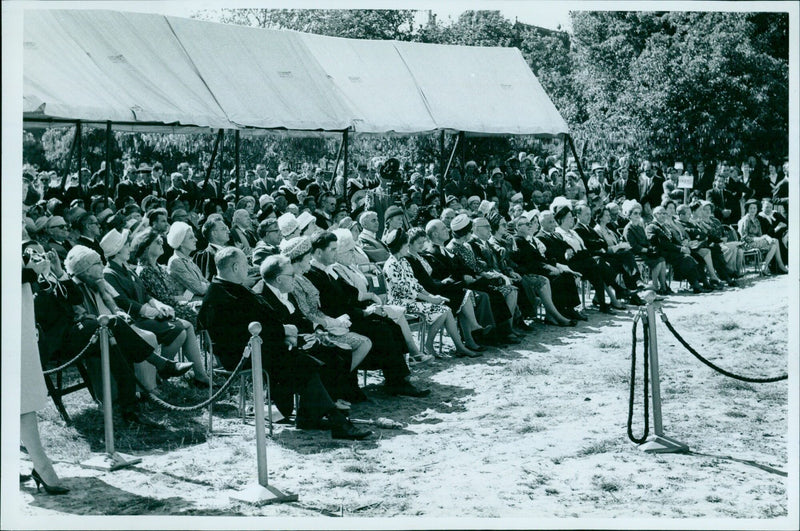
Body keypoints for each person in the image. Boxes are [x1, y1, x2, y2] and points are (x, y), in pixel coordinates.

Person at [197, 247, 371, 440]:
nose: (249, 269)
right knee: (302, 363)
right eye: (246, 265)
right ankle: (335, 421)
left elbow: (261, 320)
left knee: (309, 359)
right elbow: (236, 334)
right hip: (241, 356)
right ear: (236, 267)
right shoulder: (220, 296)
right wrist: (283, 332)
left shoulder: (231, 289)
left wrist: (283, 333)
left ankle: (312, 418)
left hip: (260, 346)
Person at [304, 231, 429, 397]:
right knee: (382, 330)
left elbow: (350, 293)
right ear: (319, 252)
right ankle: (395, 380)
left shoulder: (329, 270)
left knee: (391, 324)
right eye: (333, 249)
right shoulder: (313, 274)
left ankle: (396, 379)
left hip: (350, 313)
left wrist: (368, 308)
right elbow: (332, 306)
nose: (336, 252)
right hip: (339, 320)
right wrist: (363, 312)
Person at [100, 229, 209, 382]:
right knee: (179, 330)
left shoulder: (127, 270)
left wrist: (157, 305)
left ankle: (193, 374)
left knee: (184, 327)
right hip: (133, 322)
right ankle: (163, 370)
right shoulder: (109, 274)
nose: (129, 248)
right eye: (125, 245)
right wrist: (151, 311)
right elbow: (123, 302)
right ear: (117, 251)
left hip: (145, 316)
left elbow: (145, 294)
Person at [278, 236, 373, 379]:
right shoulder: (294, 282)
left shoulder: (302, 277)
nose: (310, 259)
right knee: (360, 343)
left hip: (321, 324)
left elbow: (316, 309)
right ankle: (340, 385)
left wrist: (335, 321)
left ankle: (343, 385)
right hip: (314, 329)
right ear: (298, 259)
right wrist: (332, 322)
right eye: (308, 256)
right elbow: (307, 313)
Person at [383, 229, 482, 358]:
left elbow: (415, 284)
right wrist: (430, 299)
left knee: (445, 310)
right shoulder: (391, 265)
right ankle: (433, 346)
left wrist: (431, 296)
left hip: (412, 300)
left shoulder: (403, 261)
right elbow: (408, 291)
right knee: (444, 311)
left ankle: (456, 347)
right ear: (400, 246)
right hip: (400, 302)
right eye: (406, 245)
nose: (407, 247)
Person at [21, 241, 69, 494]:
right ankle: (42, 466)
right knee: (19, 399)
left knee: (21, 398)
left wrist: (35, 270)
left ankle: (35, 465)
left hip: (19, 324)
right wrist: (31, 271)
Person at [621, 200, 668, 294]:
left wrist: (651, 248)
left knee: (662, 259)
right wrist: (647, 250)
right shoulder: (628, 228)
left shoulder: (640, 226)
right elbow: (633, 246)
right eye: (635, 213)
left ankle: (663, 287)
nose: (638, 215)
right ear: (629, 215)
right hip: (637, 254)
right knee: (658, 261)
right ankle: (655, 287)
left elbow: (646, 240)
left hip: (645, 252)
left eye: (639, 213)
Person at [738, 199, 787, 275]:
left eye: (754, 208)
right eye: (751, 208)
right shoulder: (745, 220)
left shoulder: (756, 220)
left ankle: (765, 267)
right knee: (775, 241)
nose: (753, 210)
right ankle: (779, 265)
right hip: (747, 244)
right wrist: (762, 238)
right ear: (747, 209)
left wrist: (763, 238)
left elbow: (760, 235)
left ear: (757, 209)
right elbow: (744, 237)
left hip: (757, 242)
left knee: (774, 244)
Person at [166, 221, 210, 297]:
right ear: (180, 242)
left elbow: (205, 283)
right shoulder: (175, 262)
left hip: (195, 300)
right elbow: (199, 289)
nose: (196, 240)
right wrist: (200, 286)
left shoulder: (189, 260)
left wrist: (200, 286)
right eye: (191, 237)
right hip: (184, 304)